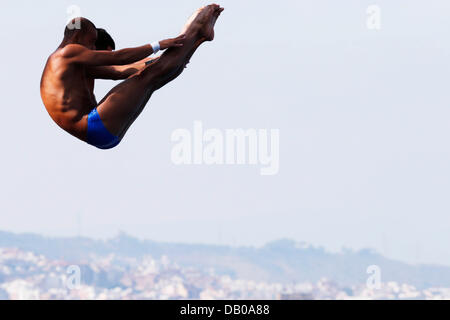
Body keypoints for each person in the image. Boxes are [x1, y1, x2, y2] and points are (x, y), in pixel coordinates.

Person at [40, 4, 224, 149]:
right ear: (80, 36)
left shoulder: (75, 68)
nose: (92, 48)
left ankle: (199, 38)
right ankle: (195, 30)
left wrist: (160, 59)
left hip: (101, 132)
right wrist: (158, 44)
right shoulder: (66, 53)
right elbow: (118, 58)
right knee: (150, 77)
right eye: (91, 41)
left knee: (153, 78)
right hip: (94, 125)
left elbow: (122, 71)